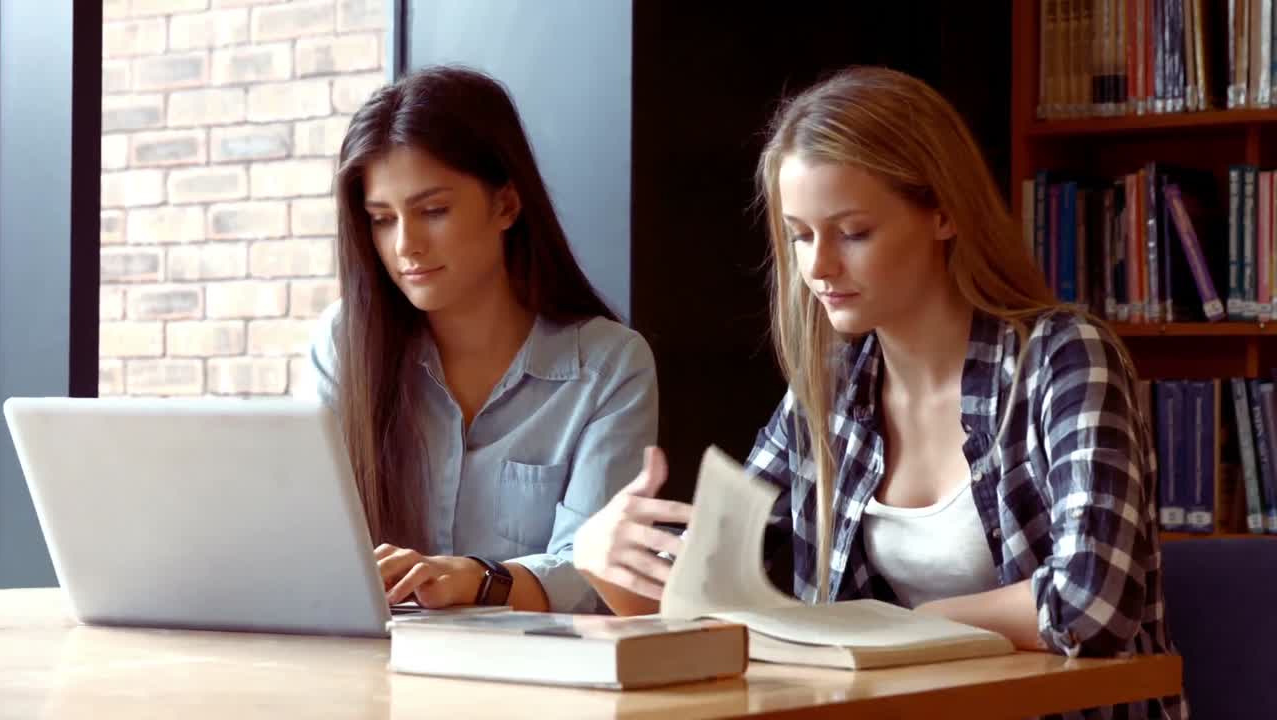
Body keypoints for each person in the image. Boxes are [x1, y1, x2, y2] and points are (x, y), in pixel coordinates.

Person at [573, 66, 1184, 718]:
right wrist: (603, 558)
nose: (818, 267)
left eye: (853, 232)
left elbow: (1092, 607)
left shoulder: (1063, 359)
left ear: (944, 212)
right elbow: (708, 607)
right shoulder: (831, 386)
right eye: (800, 236)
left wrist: (911, 624)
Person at [305, 66, 657, 614]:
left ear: (506, 205)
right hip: (372, 673)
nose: (406, 245)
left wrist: (476, 579)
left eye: (433, 211)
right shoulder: (342, 343)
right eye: (381, 219)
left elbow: (595, 575)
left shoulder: (610, 365)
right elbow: (306, 541)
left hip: (538, 685)